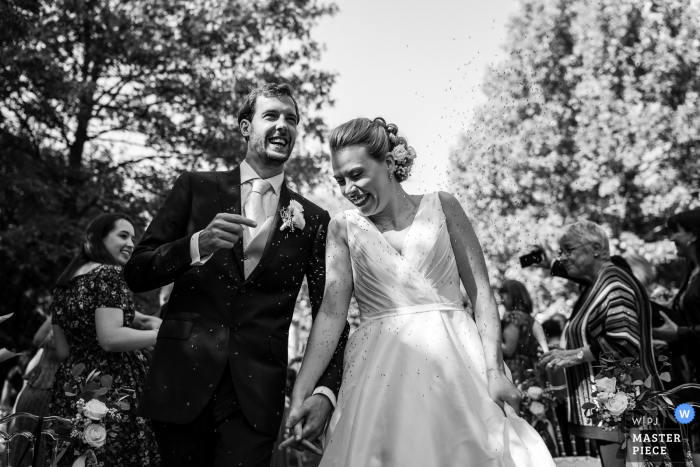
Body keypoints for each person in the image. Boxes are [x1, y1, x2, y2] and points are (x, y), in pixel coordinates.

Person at [284, 117, 554, 466]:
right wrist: (302, 392)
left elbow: (482, 293)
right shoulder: (343, 228)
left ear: (390, 164)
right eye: (339, 180)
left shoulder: (444, 206)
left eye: (356, 174)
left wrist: (495, 372)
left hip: (458, 362)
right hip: (377, 372)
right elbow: (332, 315)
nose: (348, 188)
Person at [123, 83, 349, 467]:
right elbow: (137, 272)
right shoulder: (196, 187)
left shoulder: (313, 218)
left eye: (291, 119)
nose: (284, 126)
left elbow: (330, 311)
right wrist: (197, 244)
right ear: (245, 127)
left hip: (256, 393)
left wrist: (325, 390)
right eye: (271, 116)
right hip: (179, 381)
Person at [538, 221, 658, 467]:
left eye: (568, 249)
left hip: (624, 412)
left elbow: (624, 342)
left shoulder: (613, 283)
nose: (563, 257)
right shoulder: (601, 281)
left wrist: (574, 355)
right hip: (612, 413)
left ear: (596, 248)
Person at [48, 213, 161, 466]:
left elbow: (63, 350)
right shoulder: (110, 274)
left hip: (71, 387)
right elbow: (110, 338)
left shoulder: (64, 283)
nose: (131, 243)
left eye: (133, 237)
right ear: (98, 238)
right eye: (123, 235)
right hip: (113, 387)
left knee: (74, 457)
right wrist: (160, 335)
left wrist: (141, 320)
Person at [9, 316, 59, 467]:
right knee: (42, 450)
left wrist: (14, 410)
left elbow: (29, 372)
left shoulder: (47, 343)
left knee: (21, 444)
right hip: (48, 398)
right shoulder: (70, 343)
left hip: (28, 396)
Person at [499, 279, 546, 384]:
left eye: (503, 296)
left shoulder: (514, 317)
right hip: (532, 370)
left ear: (511, 295)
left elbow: (509, 350)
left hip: (516, 372)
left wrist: (489, 340)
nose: (501, 301)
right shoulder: (530, 319)